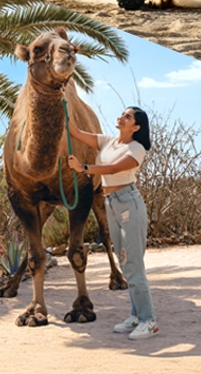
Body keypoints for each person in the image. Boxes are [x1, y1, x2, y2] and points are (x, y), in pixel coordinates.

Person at [67, 107, 158, 340]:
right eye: (122, 114)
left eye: (128, 117)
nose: (121, 117)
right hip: (111, 204)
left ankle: (149, 321)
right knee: (124, 261)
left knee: (134, 265)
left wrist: (83, 168)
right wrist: (62, 104)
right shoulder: (108, 141)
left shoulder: (137, 148)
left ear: (136, 127)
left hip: (129, 204)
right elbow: (75, 132)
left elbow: (116, 168)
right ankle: (136, 316)